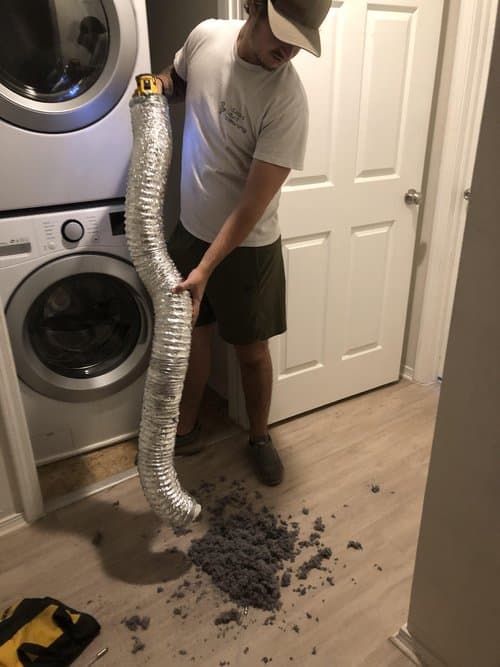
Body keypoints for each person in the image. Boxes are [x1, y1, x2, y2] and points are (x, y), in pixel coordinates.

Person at [155, 0, 330, 486]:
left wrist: (206, 269)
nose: (289, 50)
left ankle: (258, 436)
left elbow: (252, 205)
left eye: (300, 41)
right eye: (282, 33)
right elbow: (178, 76)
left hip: (248, 247)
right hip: (192, 228)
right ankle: (186, 429)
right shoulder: (207, 36)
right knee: (194, 337)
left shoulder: (287, 101)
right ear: (253, 7)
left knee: (251, 353)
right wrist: (157, 85)